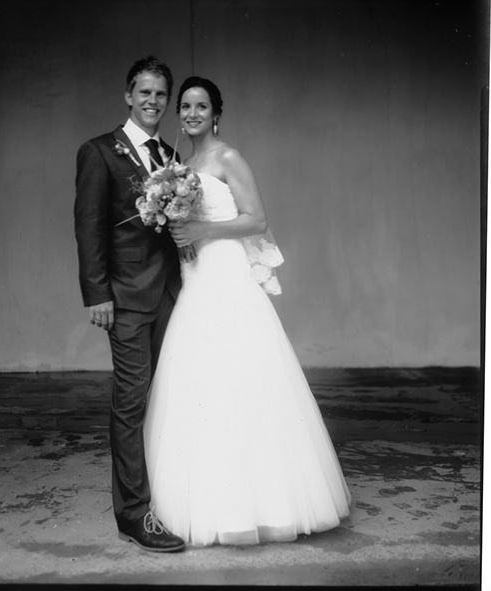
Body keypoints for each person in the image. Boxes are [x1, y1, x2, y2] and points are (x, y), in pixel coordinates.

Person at [143, 76, 352, 546]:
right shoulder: (179, 167)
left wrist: (201, 232)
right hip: (196, 279)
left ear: (216, 113)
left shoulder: (228, 158)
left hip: (227, 275)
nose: (192, 114)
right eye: (185, 106)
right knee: (200, 380)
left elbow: (257, 219)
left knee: (241, 375)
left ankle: (262, 506)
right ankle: (206, 501)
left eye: (201, 106)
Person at [74, 56, 185, 553]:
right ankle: (134, 514)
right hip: (125, 297)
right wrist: (96, 293)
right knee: (132, 401)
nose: (153, 101)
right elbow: (89, 228)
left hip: (171, 296)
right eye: (144, 92)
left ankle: (171, 496)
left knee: (167, 397)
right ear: (128, 95)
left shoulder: (169, 155)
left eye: (160, 94)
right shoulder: (100, 151)